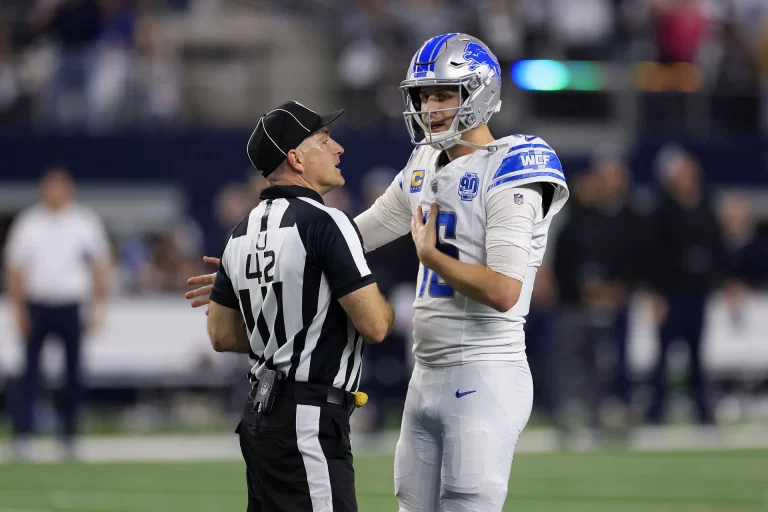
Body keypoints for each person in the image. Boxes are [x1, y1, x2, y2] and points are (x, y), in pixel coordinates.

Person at [187, 34, 569, 511]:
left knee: (468, 500)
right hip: (425, 372)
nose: (429, 107)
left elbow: (506, 291)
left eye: (443, 94)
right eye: (423, 96)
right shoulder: (424, 162)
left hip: (485, 369)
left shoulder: (515, 165)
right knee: (410, 502)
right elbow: (351, 238)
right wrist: (259, 267)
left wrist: (433, 259)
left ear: (480, 91)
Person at [204, 100, 394, 512]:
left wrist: (289, 321)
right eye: (324, 140)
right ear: (296, 158)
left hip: (260, 414)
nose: (338, 148)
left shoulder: (239, 233)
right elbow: (375, 324)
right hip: (308, 419)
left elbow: (221, 334)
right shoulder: (327, 222)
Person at [4, 167, 110, 460]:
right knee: (30, 373)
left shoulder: (83, 222)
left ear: (68, 190)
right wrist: (18, 310)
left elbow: (99, 266)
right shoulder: (30, 223)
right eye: (50, 188)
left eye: (60, 188)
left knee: (73, 373)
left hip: (70, 305)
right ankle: (23, 435)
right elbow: (15, 269)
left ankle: (69, 435)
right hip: (37, 306)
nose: (55, 194)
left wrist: (98, 308)